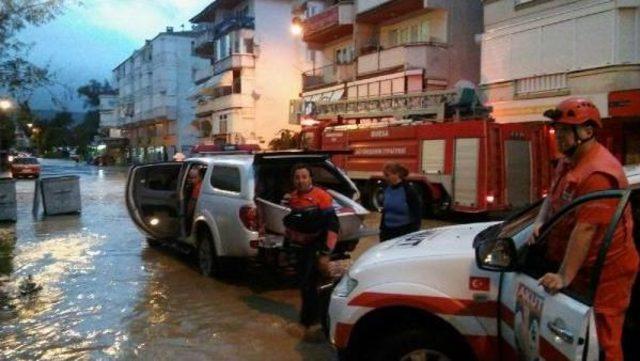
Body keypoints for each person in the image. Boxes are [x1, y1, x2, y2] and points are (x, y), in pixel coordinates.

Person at [531, 97, 638, 361]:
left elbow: (586, 230)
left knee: (602, 340)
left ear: (587, 132)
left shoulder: (598, 174)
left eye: (566, 130)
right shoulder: (568, 161)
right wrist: (539, 222)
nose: (558, 136)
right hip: (584, 267)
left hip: (606, 273)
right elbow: (552, 196)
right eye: (558, 129)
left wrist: (564, 277)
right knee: (583, 337)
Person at [282, 163, 339, 338]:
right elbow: (289, 226)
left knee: (310, 285)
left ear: (310, 178)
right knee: (305, 285)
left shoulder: (322, 197)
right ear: (293, 180)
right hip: (300, 249)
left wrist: (325, 253)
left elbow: (333, 226)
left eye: (304, 177)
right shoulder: (291, 198)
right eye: (297, 177)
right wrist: (286, 248)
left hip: (317, 247)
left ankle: (311, 324)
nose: (301, 180)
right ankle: (316, 322)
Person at [379, 162, 422, 242]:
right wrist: (381, 231)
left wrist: (413, 235)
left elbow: (417, 214)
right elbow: (385, 212)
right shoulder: (387, 189)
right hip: (387, 232)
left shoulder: (409, 191)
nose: (386, 178)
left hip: (404, 232)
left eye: (388, 175)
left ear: (397, 174)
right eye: (385, 175)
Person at [186, 167, 203, 234]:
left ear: (200, 177)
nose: (192, 180)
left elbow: (193, 202)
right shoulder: (197, 186)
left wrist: (188, 213)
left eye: (194, 177)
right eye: (190, 178)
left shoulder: (198, 187)